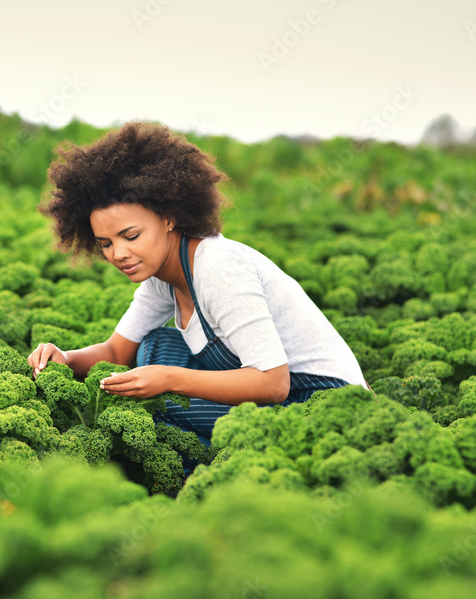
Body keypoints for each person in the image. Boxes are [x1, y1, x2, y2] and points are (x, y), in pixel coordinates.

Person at [26, 121, 368, 448]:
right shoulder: (163, 274)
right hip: (281, 393)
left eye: (131, 236)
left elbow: (273, 382)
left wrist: (169, 379)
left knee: (154, 391)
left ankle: (207, 459)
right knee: (154, 346)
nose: (119, 254)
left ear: (169, 217)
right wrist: (65, 359)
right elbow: (117, 352)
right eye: (105, 243)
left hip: (323, 402)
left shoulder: (219, 268)